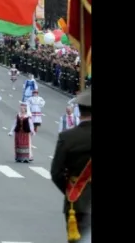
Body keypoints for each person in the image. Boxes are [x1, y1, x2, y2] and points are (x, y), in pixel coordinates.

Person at [51, 88, 91, 243]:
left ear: (79, 111)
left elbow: (56, 173)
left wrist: (71, 189)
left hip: (77, 200)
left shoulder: (67, 137)